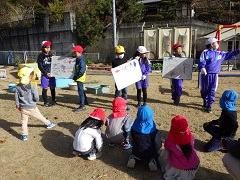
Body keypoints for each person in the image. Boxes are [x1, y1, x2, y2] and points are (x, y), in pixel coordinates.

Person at [198, 37, 240, 113]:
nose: (217, 44)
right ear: (211, 44)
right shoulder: (205, 52)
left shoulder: (219, 53)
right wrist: (202, 67)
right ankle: (205, 100)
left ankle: (209, 105)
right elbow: (201, 60)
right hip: (206, 74)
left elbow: (229, 54)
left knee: (212, 90)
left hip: (215, 75)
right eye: (216, 43)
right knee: (204, 90)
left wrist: (238, 51)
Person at [15, 67, 56, 141]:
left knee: (24, 121)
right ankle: (48, 123)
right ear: (30, 77)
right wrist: (35, 100)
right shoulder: (32, 86)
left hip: (23, 108)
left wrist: (18, 105)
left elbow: (16, 97)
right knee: (40, 116)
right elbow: (36, 97)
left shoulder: (18, 87)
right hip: (32, 107)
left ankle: (24, 135)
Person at [159, 115, 200, 180]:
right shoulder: (191, 137)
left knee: (166, 151)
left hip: (179, 169)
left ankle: (165, 166)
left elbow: (166, 147)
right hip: (193, 165)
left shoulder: (170, 141)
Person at [127, 105, 162, 172]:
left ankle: (133, 158)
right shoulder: (154, 131)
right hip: (150, 153)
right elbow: (158, 144)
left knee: (134, 153)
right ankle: (152, 161)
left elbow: (130, 141)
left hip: (136, 151)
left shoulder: (133, 128)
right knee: (155, 155)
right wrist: (156, 150)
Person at [37, 41, 56, 107]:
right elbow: (40, 66)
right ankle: (46, 102)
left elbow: (56, 64)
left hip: (52, 74)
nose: (48, 49)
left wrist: (53, 59)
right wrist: (45, 73)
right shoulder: (40, 56)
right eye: (46, 47)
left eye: (49, 47)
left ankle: (53, 100)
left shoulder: (51, 55)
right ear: (42, 48)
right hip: (45, 75)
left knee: (52, 87)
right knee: (45, 88)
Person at [112, 45, 130, 111]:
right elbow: (114, 70)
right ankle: (116, 105)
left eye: (122, 53)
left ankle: (125, 105)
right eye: (119, 53)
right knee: (117, 93)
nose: (121, 54)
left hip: (125, 80)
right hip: (118, 80)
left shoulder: (125, 60)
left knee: (124, 93)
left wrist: (128, 63)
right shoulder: (114, 61)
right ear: (116, 53)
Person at [72, 45, 88, 111]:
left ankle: (82, 106)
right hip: (79, 77)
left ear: (80, 53)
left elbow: (82, 70)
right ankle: (85, 101)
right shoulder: (78, 60)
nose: (74, 54)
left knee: (80, 91)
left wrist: (76, 76)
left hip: (80, 78)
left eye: (75, 53)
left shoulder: (81, 61)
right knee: (82, 91)